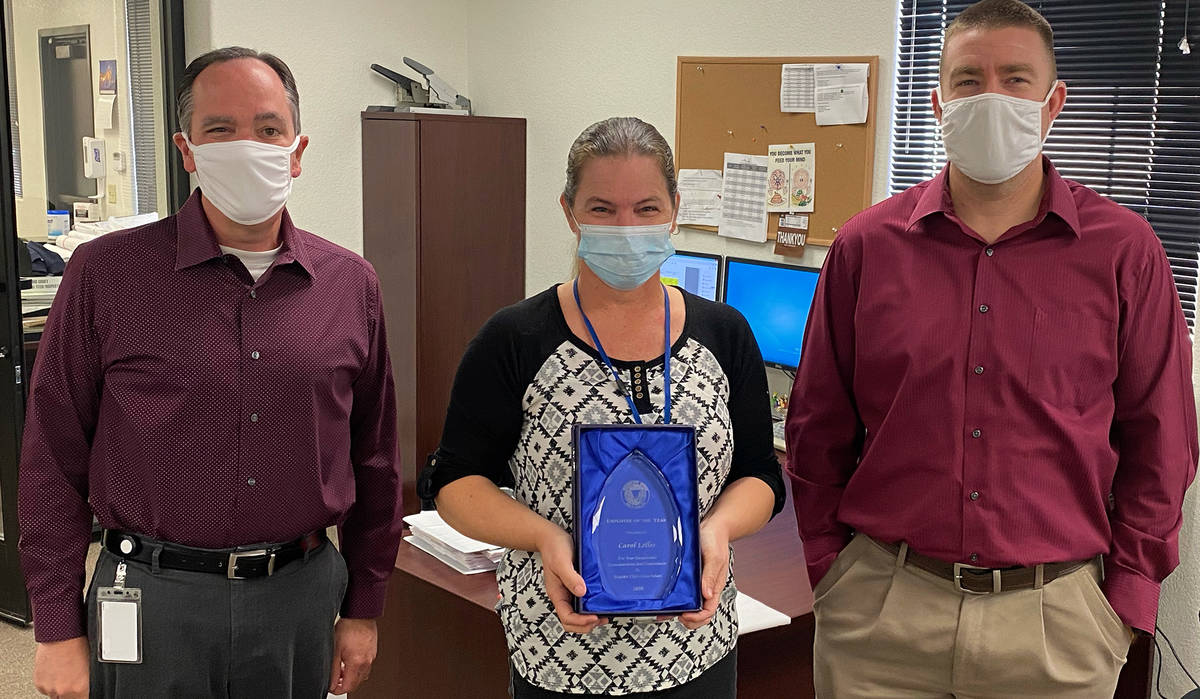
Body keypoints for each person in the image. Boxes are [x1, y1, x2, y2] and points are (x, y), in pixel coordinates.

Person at [786, 1, 1198, 696]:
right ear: (937, 100)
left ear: (1053, 101)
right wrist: (831, 564)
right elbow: (815, 423)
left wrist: (1125, 600)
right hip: (882, 617)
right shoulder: (865, 247)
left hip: (1055, 623)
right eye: (970, 80)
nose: (992, 98)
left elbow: (1163, 443)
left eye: (1015, 79)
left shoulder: (1127, 253)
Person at [19, 47, 403, 698]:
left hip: (298, 595)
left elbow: (375, 460)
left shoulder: (349, 285)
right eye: (220, 130)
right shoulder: (106, 274)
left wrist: (364, 607)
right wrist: (57, 626)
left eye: (268, 128)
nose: (247, 145)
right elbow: (52, 457)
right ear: (187, 149)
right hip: (150, 596)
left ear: (298, 149)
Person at [424, 116, 783, 697]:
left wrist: (716, 530)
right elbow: (455, 482)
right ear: (568, 212)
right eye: (601, 209)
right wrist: (544, 537)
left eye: (645, 209)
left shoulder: (725, 332)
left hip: (696, 651)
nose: (626, 228)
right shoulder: (513, 339)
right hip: (561, 656)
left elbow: (759, 476)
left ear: (674, 209)